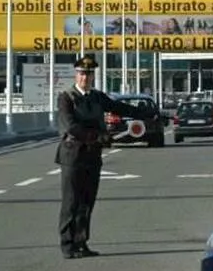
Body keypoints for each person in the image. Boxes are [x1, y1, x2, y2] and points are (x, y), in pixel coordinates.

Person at [55, 55, 154, 259]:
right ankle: (67, 244)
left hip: (93, 155)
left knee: (87, 202)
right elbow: (71, 126)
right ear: (76, 74)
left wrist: (143, 113)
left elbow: (118, 107)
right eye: (82, 74)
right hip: (73, 156)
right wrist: (97, 136)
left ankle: (82, 242)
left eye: (89, 74)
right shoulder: (66, 97)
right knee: (71, 201)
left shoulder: (97, 97)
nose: (85, 77)